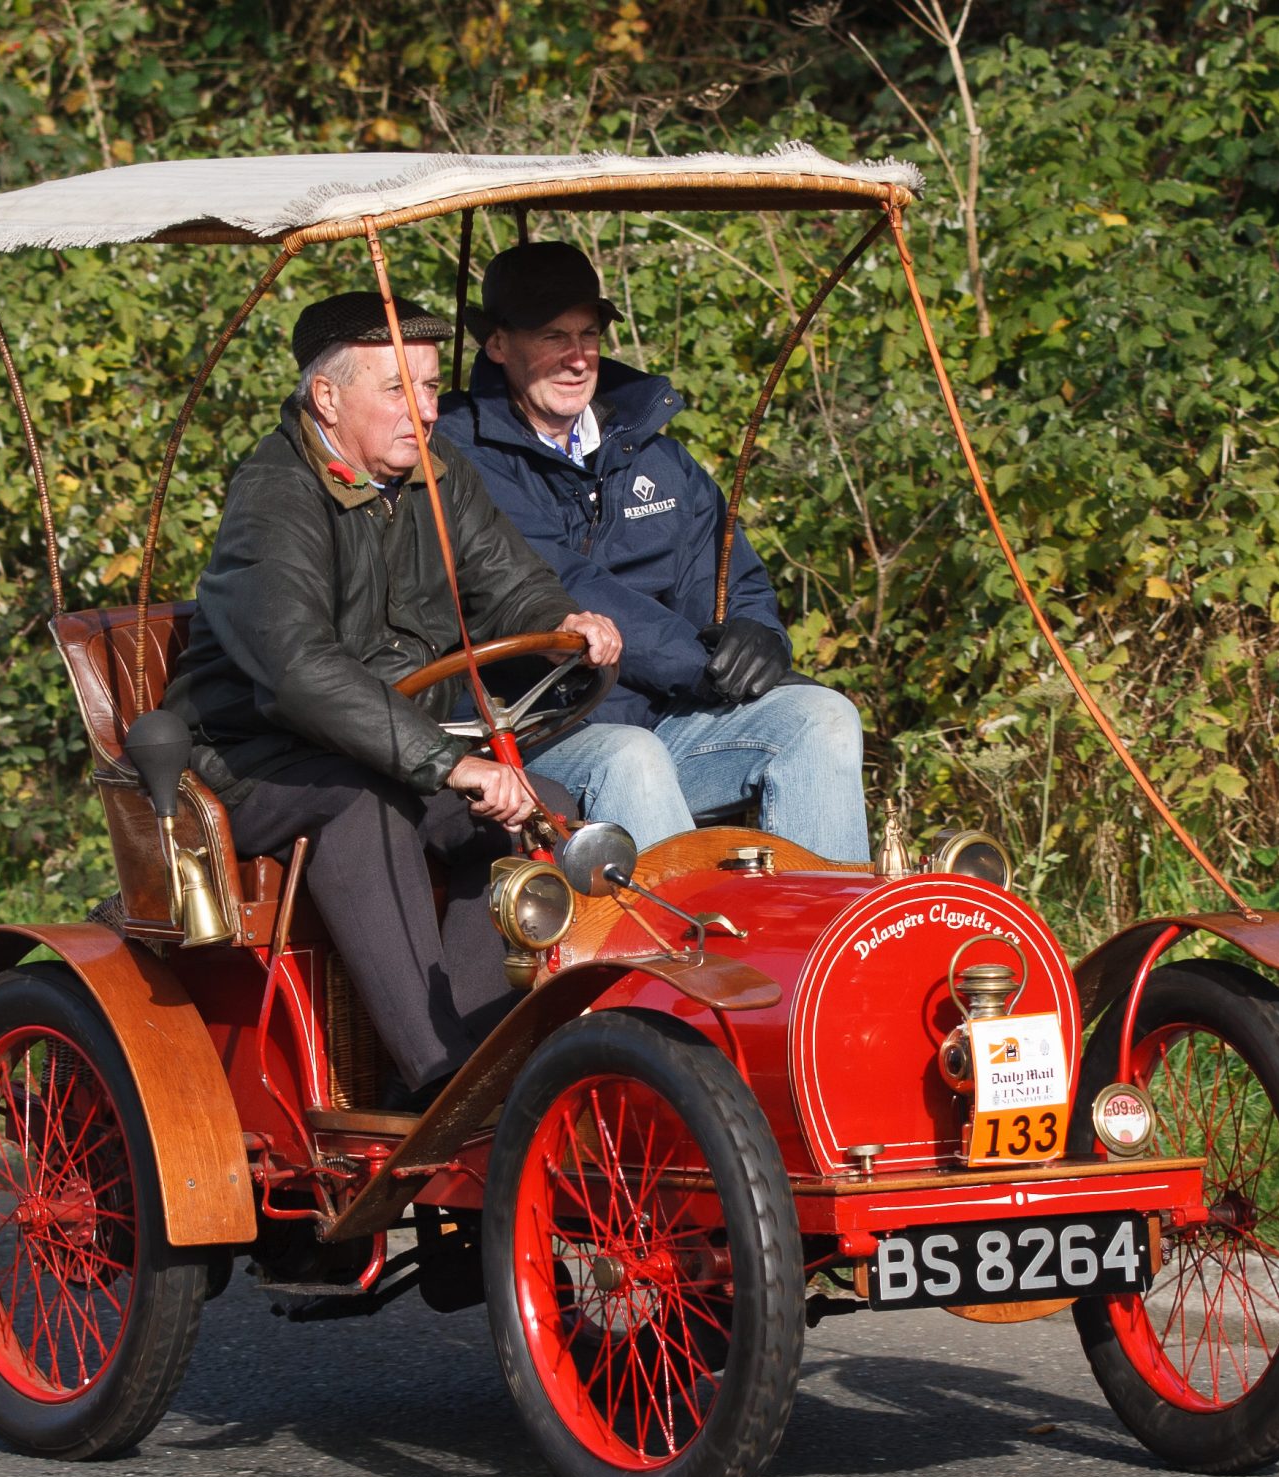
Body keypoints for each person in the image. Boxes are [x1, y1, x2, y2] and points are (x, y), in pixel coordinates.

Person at [163, 291, 622, 1104]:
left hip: (391, 742)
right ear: (328, 398)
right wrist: (449, 763)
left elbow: (512, 586)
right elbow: (299, 669)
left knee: (536, 808)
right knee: (366, 812)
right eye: (396, 390)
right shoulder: (275, 495)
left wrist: (565, 621)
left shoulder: (441, 478)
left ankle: (494, 1050)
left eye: (434, 387)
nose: (424, 411)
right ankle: (440, 1082)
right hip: (253, 758)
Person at [432, 241, 869, 864]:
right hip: (530, 732)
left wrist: (758, 635)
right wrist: (703, 668)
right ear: (498, 345)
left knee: (820, 717)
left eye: (588, 334)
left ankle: (823, 943)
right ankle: (690, 953)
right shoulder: (457, 453)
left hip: (664, 720)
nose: (577, 358)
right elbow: (563, 583)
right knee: (630, 757)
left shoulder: (654, 454)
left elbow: (726, 572)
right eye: (553, 335)